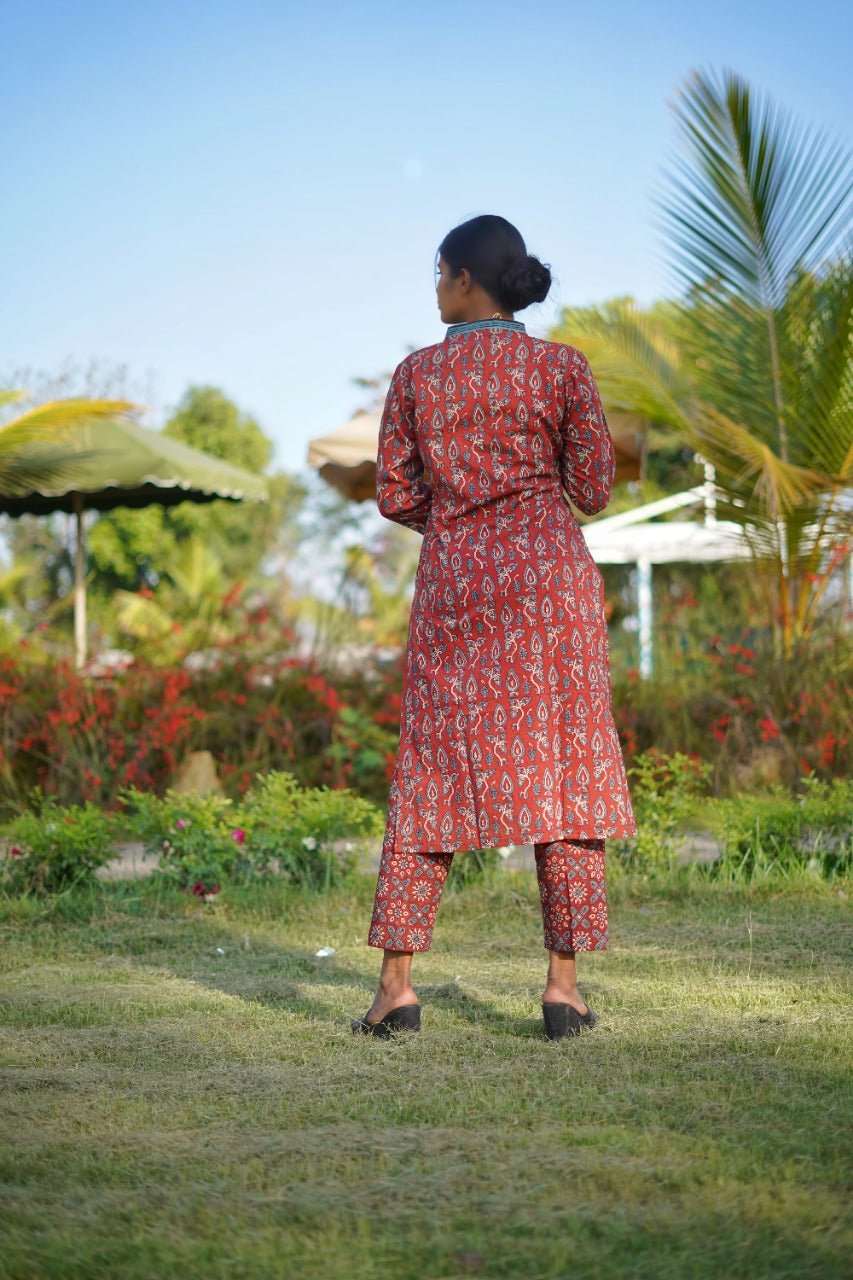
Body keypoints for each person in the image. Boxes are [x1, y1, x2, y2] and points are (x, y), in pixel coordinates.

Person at [352, 214, 637, 1042]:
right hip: (551, 591)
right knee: (567, 774)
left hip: (457, 593)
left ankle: (395, 989)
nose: (434, 286)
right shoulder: (560, 369)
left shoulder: (415, 377)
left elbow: (397, 495)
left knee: (430, 775)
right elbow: (591, 487)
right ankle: (562, 988)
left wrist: (462, 522)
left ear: (465, 280)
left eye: (438, 272)